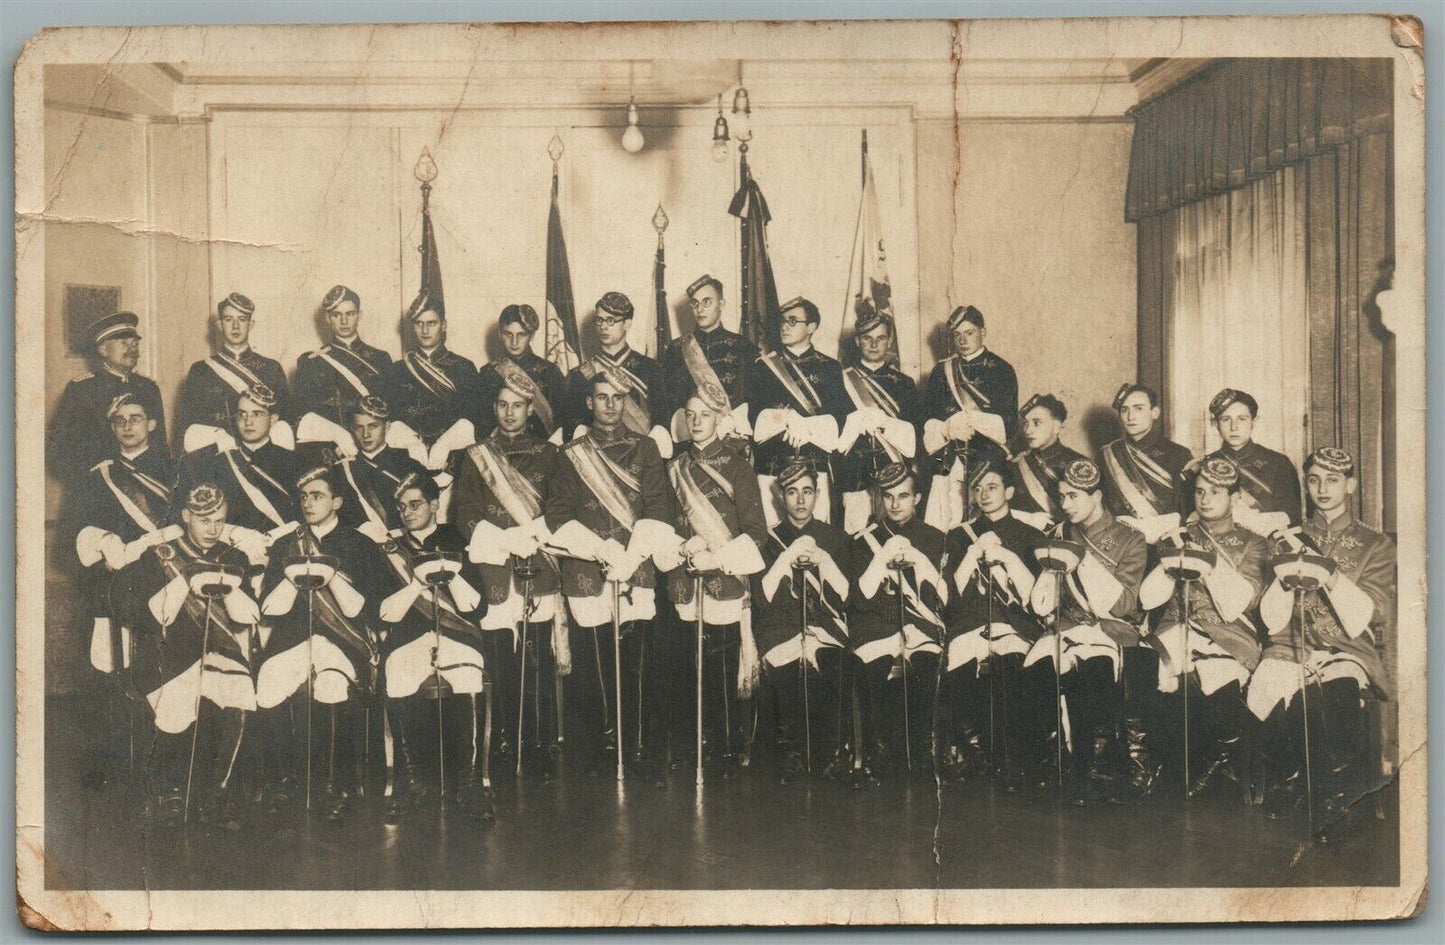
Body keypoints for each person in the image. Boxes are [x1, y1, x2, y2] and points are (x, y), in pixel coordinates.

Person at [1249, 447, 1394, 825]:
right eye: (1313, 480)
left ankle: (1329, 799)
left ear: (1351, 485)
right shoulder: (1284, 538)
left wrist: (1330, 576)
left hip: (1345, 647)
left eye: (1332, 480)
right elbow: (1270, 617)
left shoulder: (1375, 544)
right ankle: (1296, 780)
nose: (1322, 489)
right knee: (1262, 691)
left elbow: (1372, 612)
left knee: (1335, 693)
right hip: (1288, 644)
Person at [545, 373, 675, 779]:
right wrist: (600, 549)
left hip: (635, 567)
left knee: (636, 661)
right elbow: (558, 514)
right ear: (589, 402)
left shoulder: (647, 448)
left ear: (627, 402)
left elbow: (658, 508)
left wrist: (631, 556)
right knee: (597, 661)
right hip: (589, 566)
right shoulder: (570, 453)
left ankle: (636, 743)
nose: (610, 405)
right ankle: (606, 742)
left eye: (618, 398)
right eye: (602, 397)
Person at [108, 483, 260, 829]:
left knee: (240, 690)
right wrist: (186, 579)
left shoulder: (233, 558)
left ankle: (215, 795)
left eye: (220, 521)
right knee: (179, 697)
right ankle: (169, 791)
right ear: (186, 516)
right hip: (168, 656)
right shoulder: (159, 556)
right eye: (204, 520)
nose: (212, 529)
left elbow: (247, 617)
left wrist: (231, 584)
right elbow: (152, 616)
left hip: (219, 652)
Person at [255, 466, 399, 822]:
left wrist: (331, 576)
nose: (308, 502)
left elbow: (375, 607)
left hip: (344, 639)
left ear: (337, 501)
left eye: (317, 495)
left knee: (333, 682)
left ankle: (338, 786)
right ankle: (283, 782)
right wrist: (291, 576)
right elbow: (269, 610)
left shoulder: (360, 544)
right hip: (293, 637)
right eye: (303, 496)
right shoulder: (287, 544)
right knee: (268, 678)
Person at [451, 375, 564, 778]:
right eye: (502, 405)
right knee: (499, 657)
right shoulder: (476, 454)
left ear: (531, 410)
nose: (510, 413)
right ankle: (501, 739)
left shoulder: (550, 453)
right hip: (494, 562)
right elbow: (464, 510)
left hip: (538, 559)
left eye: (518, 405)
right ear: (494, 408)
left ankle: (538, 741)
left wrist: (531, 534)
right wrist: (500, 538)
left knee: (538, 658)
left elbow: (561, 505)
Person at [1136, 457, 1268, 802]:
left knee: (1219, 680)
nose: (1205, 499)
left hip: (1227, 632)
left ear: (1234, 497)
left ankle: (1219, 760)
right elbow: (1149, 599)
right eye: (1199, 492)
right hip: (1176, 625)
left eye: (1215, 492)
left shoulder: (1254, 543)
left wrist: (1204, 564)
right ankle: (1151, 761)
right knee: (1145, 668)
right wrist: (1170, 560)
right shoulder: (1180, 535)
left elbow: (1244, 603)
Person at [1024, 459, 1146, 804]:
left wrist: (1082, 562)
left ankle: (1097, 771)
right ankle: (1057, 765)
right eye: (1061, 496)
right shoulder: (1058, 535)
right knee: (1035, 674)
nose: (1065, 505)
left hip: (1106, 628)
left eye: (1073, 497)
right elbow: (1042, 605)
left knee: (1094, 672)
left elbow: (1123, 604)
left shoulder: (1131, 539)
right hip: (1065, 627)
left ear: (1097, 496)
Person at [71, 392, 177, 789]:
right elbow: (78, 527)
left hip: (164, 575)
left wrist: (148, 547)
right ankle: (117, 759)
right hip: (117, 584)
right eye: (120, 420)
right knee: (112, 669)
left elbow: (186, 522)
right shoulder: (97, 475)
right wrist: (104, 538)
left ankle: (167, 757)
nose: (128, 426)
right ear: (112, 427)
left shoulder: (174, 469)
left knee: (166, 665)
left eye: (136, 418)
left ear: (152, 424)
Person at [375, 473, 493, 822]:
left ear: (434, 505)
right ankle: (408, 784)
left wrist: (451, 574)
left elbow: (477, 608)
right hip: (409, 636)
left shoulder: (458, 541)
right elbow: (384, 614)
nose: (407, 513)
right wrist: (416, 583)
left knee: (470, 674)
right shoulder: (391, 551)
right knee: (396, 671)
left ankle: (470, 785)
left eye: (415, 505)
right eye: (401, 507)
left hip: (457, 635)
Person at [666, 392, 768, 779]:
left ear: (718, 418)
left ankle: (726, 750)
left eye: (704, 415)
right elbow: (663, 521)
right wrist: (682, 546)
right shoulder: (674, 466)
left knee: (723, 673)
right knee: (686, 670)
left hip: (724, 580)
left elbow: (756, 531)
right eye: (690, 414)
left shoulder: (738, 466)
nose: (696, 422)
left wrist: (719, 557)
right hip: (684, 582)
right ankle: (695, 745)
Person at [940, 461, 1046, 789]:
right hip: (971, 620)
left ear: (1009, 492)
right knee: (960, 665)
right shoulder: (958, 536)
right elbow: (950, 593)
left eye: (993, 487)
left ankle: (1015, 759)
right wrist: (973, 553)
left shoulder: (1031, 536)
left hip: (1013, 622)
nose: (984, 494)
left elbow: (1035, 600)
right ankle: (973, 756)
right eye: (978, 488)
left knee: (1014, 667)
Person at [847, 462, 947, 782]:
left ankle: (919, 753)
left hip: (919, 625)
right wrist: (881, 556)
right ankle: (883, 754)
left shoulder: (935, 539)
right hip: (876, 623)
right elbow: (859, 599)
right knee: (874, 668)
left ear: (917, 498)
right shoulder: (864, 540)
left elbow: (942, 598)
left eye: (903, 496)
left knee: (925, 663)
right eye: (888, 497)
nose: (895, 504)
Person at [754, 457, 851, 783]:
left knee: (829, 661)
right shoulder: (767, 540)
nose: (799, 500)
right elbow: (763, 598)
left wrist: (823, 560)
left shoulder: (835, 538)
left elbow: (844, 598)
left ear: (817, 494)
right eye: (792, 492)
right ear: (780, 496)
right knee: (789, 665)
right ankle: (793, 756)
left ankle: (829, 755)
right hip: (780, 625)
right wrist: (785, 557)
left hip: (824, 623)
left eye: (807, 492)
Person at [746, 296, 850, 525]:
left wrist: (806, 426)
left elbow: (838, 418)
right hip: (772, 469)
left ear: (811, 327)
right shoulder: (763, 367)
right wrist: (786, 417)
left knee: (816, 536)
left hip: (813, 469)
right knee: (773, 539)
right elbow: (754, 415)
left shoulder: (830, 368)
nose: (784, 326)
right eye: (783, 321)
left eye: (793, 321)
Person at [920, 305, 1017, 532]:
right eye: (957, 335)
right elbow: (928, 420)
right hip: (948, 461)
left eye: (969, 332)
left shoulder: (1002, 369)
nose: (963, 340)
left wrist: (972, 420)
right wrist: (946, 429)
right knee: (944, 527)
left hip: (986, 463)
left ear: (983, 332)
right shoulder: (940, 371)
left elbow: (1010, 424)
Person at [49, 311, 167, 481]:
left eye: (135, 344)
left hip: (145, 486)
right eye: (123, 343)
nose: (132, 349)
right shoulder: (82, 389)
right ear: (103, 349)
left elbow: (160, 446)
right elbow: (61, 453)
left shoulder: (148, 388)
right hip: (98, 486)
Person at [297, 395, 432, 541]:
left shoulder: (409, 463)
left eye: (373, 426)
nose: (366, 434)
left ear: (386, 427)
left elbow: (429, 509)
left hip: (412, 541)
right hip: (363, 545)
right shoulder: (340, 470)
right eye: (359, 427)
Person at [174, 384, 301, 537]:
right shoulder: (213, 463)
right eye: (242, 414)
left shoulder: (294, 461)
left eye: (257, 414)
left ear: (273, 419)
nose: (248, 422)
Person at [837, 312, 921, 535]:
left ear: (890, 340)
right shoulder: (841, 381)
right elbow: (837, 438)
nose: (874, 344)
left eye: (881, 338)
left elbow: (915, 437)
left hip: (894, 481)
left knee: (895, 538)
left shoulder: (905, 384)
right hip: (854, 479)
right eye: (867, 338)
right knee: (856, 543)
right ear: (857, 341)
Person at [175, 293, 293, 447]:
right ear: (219, 324)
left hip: (263, 459)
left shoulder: (271, 369)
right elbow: (187, 427)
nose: (235, 326)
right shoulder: (201, 371)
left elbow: (285, 422)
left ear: (251, 325)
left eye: (242, 320)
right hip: (218, 458)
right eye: (229, 319)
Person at [563, 291, 672, 457]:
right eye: (599, 320)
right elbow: (574, 425)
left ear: (627, 324)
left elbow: (661, 421)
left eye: (611, 320)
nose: (603, 326)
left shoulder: (650, 369)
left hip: (640, 457)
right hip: (599, 457)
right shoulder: (579, 374)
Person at [382, 293, 482, 459]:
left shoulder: (464, 367)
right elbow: (391, 418)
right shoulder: (397, 370)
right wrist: (411, 443)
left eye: (431, 323)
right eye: (419, 324)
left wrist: (445, 445)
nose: (425, 330)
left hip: (453, 458)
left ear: (443, 325)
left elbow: (472, 418)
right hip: (408, 457)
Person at [660, 274, 757, 444]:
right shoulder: (676, 349)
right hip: (688, 441)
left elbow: (753, 399)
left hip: (732, 441)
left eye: (707, 302)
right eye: (695, 304)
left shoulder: (743, 347)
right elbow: (667, 403)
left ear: (721, 304)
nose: (700, 309)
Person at [1196, 388, 1303, 536]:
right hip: (1217, 546)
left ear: (1254, 420)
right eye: (1226, 419)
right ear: (1216, 423)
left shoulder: (1278, 463)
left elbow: (1293, 516)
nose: (1234, 427)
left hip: (1268, 547)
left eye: (1242, 419)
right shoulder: (1204, 465)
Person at [1098, 383, 1194, 538]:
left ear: (1154, 412)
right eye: (1124, 410)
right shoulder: (1108, 454)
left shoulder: (1179, 454)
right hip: (1121, 541)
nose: (1130, 417)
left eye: (1139, 408)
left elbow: (1188, 511)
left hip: (1165, 541)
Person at [293, 285, 393, 428]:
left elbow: (392, 412)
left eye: (350, 314)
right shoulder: (311, 363)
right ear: (328, 318)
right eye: (336, 315)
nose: (344, 321)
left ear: (360, 315)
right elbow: (302, 415)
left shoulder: (381, 359)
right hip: (330, 443)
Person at [476, 303, 567, 442]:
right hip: (499, 452)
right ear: (500, 334)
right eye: (508, 334)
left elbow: (562, 422)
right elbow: (481, 424)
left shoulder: (550, 372)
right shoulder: (487, 374)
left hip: (541, 452)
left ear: (531, 336)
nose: (514, 342)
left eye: (521, 334)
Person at [1010, 393, 1087, 525]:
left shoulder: (1080, 464)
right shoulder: (1016, 465)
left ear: (1057, 426)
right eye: (1026, 423)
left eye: (1036, 423)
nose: (1028, 430)